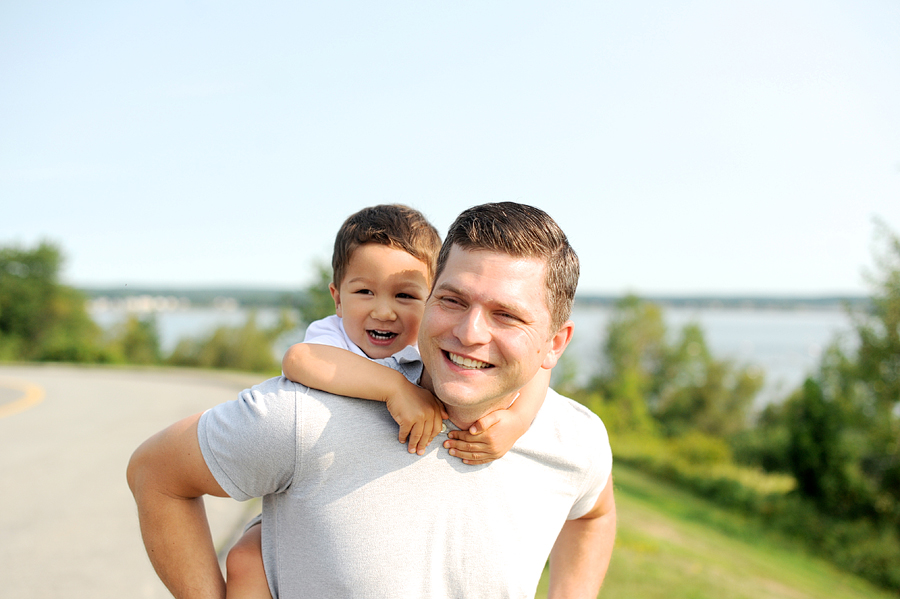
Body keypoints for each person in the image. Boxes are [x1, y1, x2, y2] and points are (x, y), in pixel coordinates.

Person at [127, 202, 615, 598]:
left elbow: (595, 514)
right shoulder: (304, 415)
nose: (469, 332)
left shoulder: (577, 439)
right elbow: (156, 474)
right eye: (452, 300)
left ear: (556, 342)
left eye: (506, 315)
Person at [224, 204, 553, 598]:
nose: (384, 311)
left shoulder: (434, 340)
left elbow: (539, 365)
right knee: (244, 559)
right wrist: (395, 388)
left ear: (434, 298)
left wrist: (518, 420)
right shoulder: (335, 338)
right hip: (312, 506)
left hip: (397, 508)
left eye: (405, 295)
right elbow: (299, 359)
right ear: (338, 298)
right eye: (364, 291)